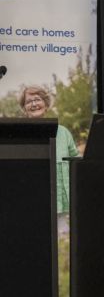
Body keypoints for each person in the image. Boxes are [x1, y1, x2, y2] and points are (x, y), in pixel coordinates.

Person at [19, 85, 79, 220]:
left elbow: (75, 159)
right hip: (32, 197)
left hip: (60, 201)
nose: (34, 104)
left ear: (46, 104)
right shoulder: (21, 132)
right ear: (24, 108)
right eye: (29, 101)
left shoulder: (63, 132)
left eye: (37, 99)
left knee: (60, 237)